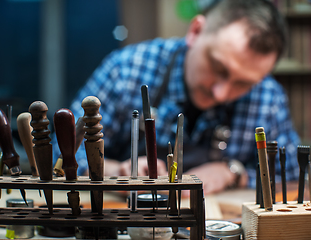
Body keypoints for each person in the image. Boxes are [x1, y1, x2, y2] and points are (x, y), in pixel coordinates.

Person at [52, 0, 300, 195]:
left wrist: (233, 173)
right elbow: (60, 154)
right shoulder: (127, 70)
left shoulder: (267, 97)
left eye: (243, 83)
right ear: (196, 31)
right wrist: (116, 170)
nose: (221, 93)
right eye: (218, 67)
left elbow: (293, 176)